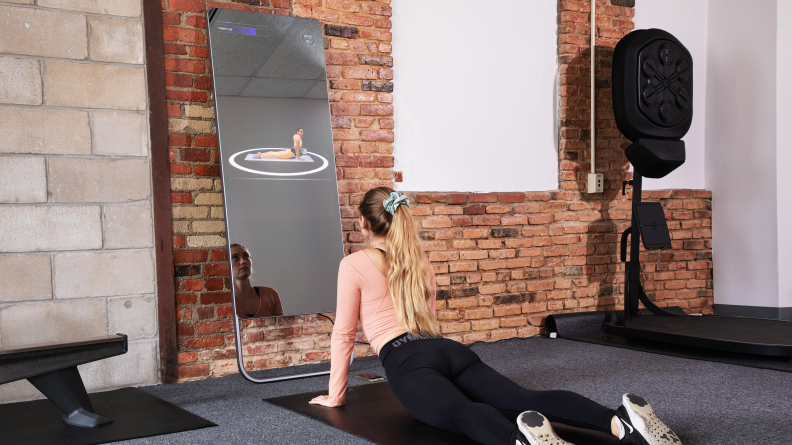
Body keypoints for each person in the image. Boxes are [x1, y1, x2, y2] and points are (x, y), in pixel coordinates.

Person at [309, 187, 681, 445]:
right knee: (523, 396)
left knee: (459, 411)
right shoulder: (419, 260)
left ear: (363, 223)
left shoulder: (354, 263)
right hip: (446, 349)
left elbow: (343, 335)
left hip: (405, 358)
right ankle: (618, 422)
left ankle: (519, 440)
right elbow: (431, 321)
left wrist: (335, 396)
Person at [230, 243, 284, 318]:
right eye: (235, 258)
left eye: (246, 256)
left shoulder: (271, 295)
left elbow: (282, 328)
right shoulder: (224, 303)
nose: (243, 261)